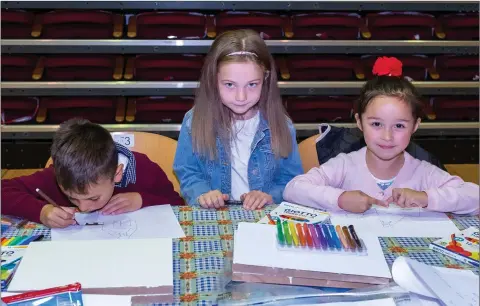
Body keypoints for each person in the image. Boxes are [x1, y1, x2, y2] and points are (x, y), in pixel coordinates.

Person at [283, 56, 479, 215]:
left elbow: (474, 196)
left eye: (399, 126)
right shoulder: (344, 165)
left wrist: (425, 198)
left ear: (415, 126)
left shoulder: (424, 172)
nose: (387, 136)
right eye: (376, 124)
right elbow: (293, 189)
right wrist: (340, 198)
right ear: (359, 122)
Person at [174, 29, 303, 210]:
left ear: (265, 79)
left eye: (252, 84)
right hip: (215, 218)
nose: (241, 97)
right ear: (213, 79)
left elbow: (291, 180)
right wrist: (202, 194)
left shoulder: (282, 125)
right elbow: (188, 172)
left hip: (263, 220)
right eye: (229, 85)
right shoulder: (193, 121)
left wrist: (270, 196)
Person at [2, 118, 184, 228]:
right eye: (71, 198)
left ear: (117, 174)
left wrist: (142, 200)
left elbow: (178, 205)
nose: (83, 208)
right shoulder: (62, 173)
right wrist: (41, 211)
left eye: (93, 198)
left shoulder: (145, 170)